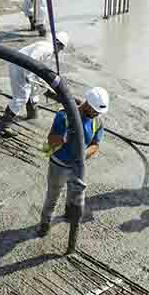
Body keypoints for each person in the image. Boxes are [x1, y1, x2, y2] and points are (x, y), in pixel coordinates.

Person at [38, 87, 109, 253]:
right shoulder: (64, 116)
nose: (97, 114)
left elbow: (95, 145)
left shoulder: (97, 122)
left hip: (77, 167)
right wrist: (63, 136)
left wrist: (82, 155)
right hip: (59, 165)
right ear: (87, 104)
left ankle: (69, 214)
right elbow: (50, 141)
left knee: (75, 196)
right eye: (95, 111)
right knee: (52, 196)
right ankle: (45, 224)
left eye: (99, 112)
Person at [3, 32, 69, 124]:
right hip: (19, 67)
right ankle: (5, 122)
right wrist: (29, 76)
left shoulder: (48, 47)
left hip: (24, 67)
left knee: (34, 90)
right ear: (58, 43)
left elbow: (40, 66)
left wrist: (41, 83)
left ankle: (32, 113)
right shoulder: (47, 48)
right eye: (61, 48)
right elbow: (31, 60)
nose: (60, 50)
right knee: (22, 96)